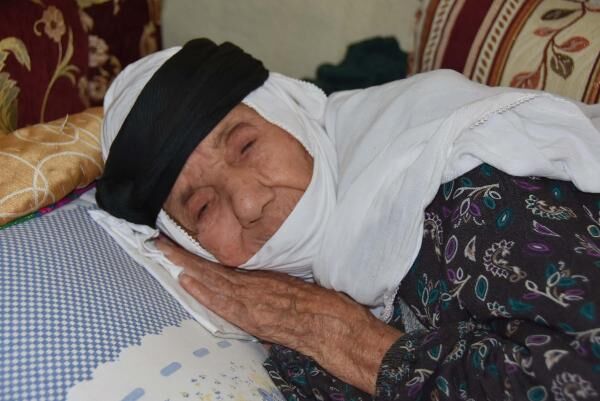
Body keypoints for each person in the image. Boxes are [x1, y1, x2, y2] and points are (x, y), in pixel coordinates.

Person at [96, 39, 600, 400]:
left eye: (246, 145)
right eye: (203, 208)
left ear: (289, 115)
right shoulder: (273, 307)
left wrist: (340, 336)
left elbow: (581, 377)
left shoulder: (469, 186)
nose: (248, 202)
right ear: (189, 241)